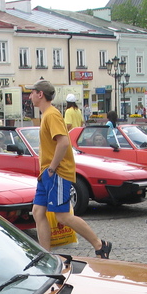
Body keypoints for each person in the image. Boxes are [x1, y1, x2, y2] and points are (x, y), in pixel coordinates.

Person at [28, 79, 112, 258]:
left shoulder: (51, 114)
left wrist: (52, 168)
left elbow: (64, 142)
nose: (30, 96)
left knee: (63, 216)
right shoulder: (47, 114)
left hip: (56, 173)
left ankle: (99, 244)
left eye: (32, 92)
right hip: (47, 173)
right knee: (38, 211)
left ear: (40, 94)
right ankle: (46, 255)